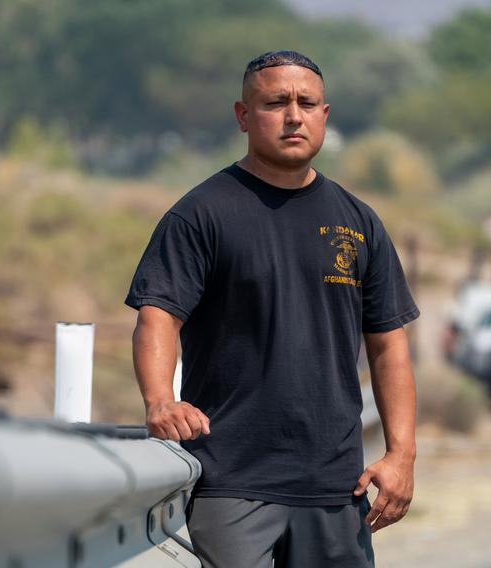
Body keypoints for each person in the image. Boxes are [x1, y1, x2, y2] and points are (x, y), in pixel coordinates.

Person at [125, 50, 419, 568]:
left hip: (337, 489)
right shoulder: (201, 213)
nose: (293, 116)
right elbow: (158, 315)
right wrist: (158, 400)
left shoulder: (359, 222)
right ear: (243, 115)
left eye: (306, 103)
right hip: (231, 483)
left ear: (324, 115)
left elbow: (390, 345)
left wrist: (402, 455)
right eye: (275, 102)